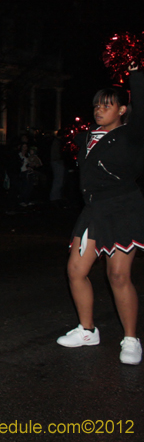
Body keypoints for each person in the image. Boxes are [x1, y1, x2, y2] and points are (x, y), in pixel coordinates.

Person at [56, 66, 144, 365]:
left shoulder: (132, 135)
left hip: (122, 208)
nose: (99, 110)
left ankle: (131, 339)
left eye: (107, 105)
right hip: (93, 211)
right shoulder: (87, 138)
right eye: (96, 105)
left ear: (122, 109)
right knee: (75, 270)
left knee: (118, 275)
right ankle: (87, 330)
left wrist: (135, 75)